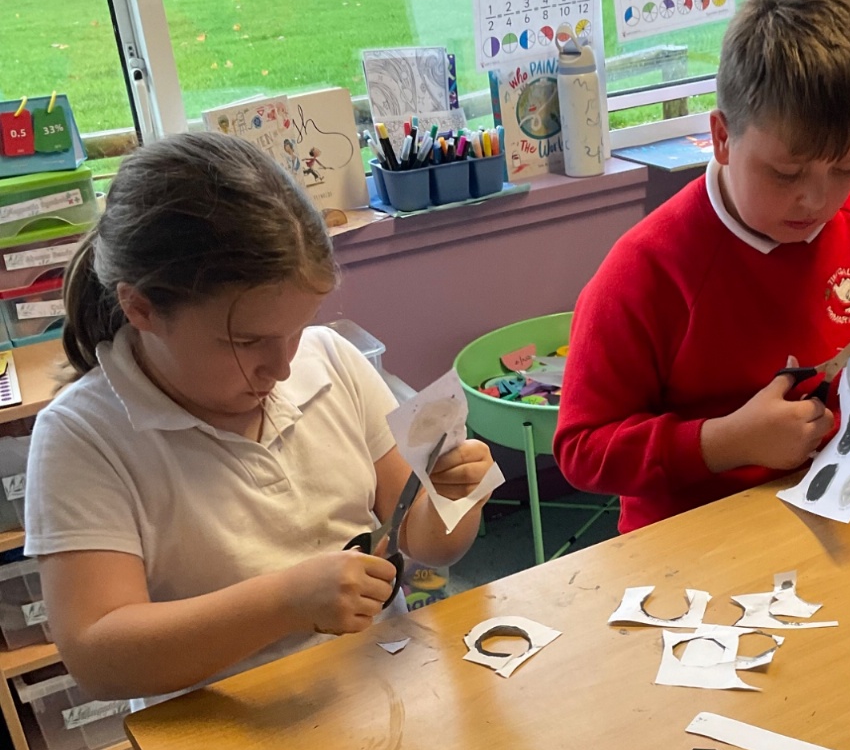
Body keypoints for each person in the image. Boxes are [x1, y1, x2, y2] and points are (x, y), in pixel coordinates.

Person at [24, 133, 497, 702]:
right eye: (246, 342)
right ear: (141, 308)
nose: (283, 365)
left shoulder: (333, 361)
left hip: (382, 688)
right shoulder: (81, 436)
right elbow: (99, 658)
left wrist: (454, 496)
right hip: (222, 728)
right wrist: (284, 603)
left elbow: (427, 544)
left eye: (297, 329)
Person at [554, 0, 850, 532]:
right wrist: (723, 443)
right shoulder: (646, 269)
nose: (815, 200)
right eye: (785, 173)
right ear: (722, 138)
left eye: (845, 168)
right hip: (697, 541)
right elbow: (582, 449)